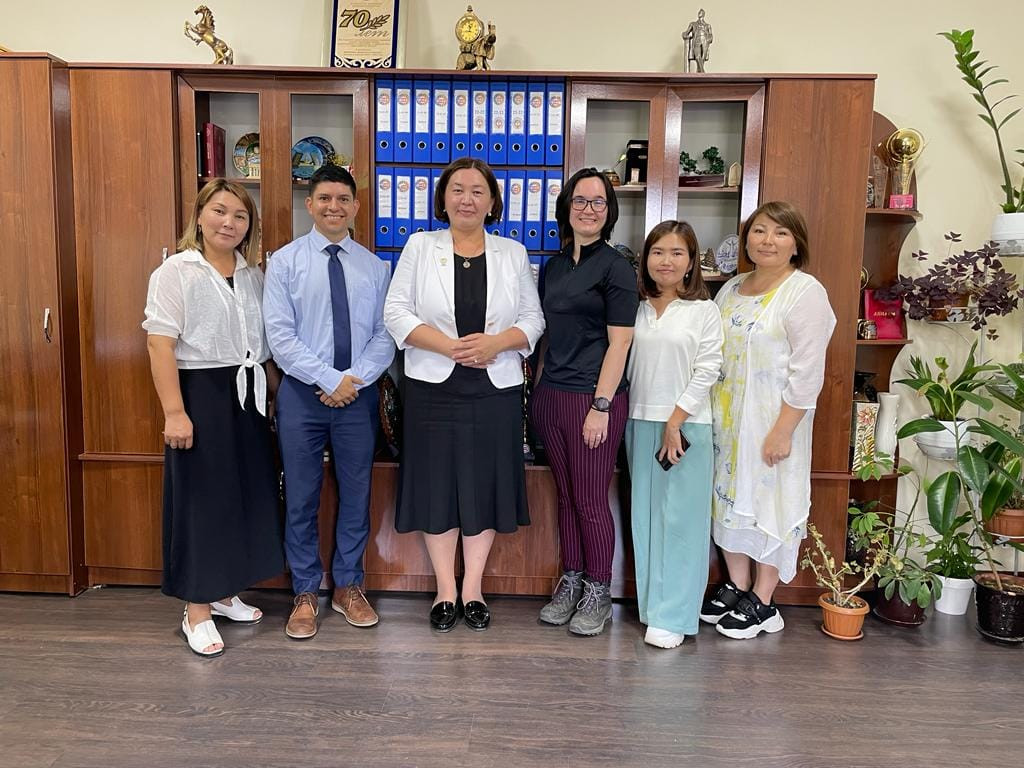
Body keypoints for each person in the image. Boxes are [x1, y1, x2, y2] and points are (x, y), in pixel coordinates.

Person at [384, 157, 544, 632]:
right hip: (433, 388)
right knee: (438, 486)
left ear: (492, 202)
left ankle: (473, 587)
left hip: (494, 388)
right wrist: (448, 347)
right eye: (457, 190)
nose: (467, 199)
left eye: (477, 191)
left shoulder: (512, 253)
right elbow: (396, 312)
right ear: (443, 198)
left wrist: (497, 343)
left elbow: (533, 319)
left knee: (485, 485)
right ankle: (445, 591)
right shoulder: (420, 246)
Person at [143, 178, 284, 657]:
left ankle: (225, 593)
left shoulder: (252, 274)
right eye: (220, 211)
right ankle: (197, 608)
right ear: (200, 216)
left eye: (240, 216)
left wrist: (276, 396)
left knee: (241, 496)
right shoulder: (176, 271)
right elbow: (159, 344)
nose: (229, 223)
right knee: (202, 502)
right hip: (200, 393)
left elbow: (261, 347)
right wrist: (174, 412)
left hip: (248, 395)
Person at [263, 164, 395, 640]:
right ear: (310, 204)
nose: (333, 207)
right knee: (301, 496)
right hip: (302, 395)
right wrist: (328, 379)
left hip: (357, 395)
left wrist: (351, 382)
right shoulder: (285, 262)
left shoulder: (376, 268)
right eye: (324, 199)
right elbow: (280, 337)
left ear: (356, 206)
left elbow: (385, 335)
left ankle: (348, 587)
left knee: (356, 496)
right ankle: (304, 592)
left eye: (342, 199)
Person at [702, 201, 836, 639]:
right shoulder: (731, 288)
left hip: (773, 425)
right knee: (727, 502)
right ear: (746, 240)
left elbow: (808, 372)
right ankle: (737, 585)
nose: (768, 241)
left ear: (796, 244)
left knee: (770, 505)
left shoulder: (804, 292)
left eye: (780, 233)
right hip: (726, 422)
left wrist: (783, 430)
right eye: (759, 231)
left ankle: (763, 600)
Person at [532, 167, 639, 636]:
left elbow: (620, 343)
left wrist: (601, 406)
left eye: (598, 202)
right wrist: (537, 393)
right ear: (567, 207)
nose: (588, 209)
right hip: (552, 395)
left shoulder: (616, 267)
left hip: (592, 401)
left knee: (591, 500)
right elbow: (547, 336)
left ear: (609, 211)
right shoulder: (554, 266)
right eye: (580, 200)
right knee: (566, 498)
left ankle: (599, 591)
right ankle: (572, 580)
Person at [625, 221, 723, 649]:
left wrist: (675, 421)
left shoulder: (703, 310)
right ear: (646, 258)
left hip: (685, 427)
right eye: (658, 251)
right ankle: (654, 609)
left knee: (682, 522)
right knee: (646, 520)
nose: (666, 261)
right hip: (639, 421)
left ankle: (676, 616)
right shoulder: (637, 308)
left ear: (691, 261)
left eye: (677, 253)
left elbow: (708, 368)